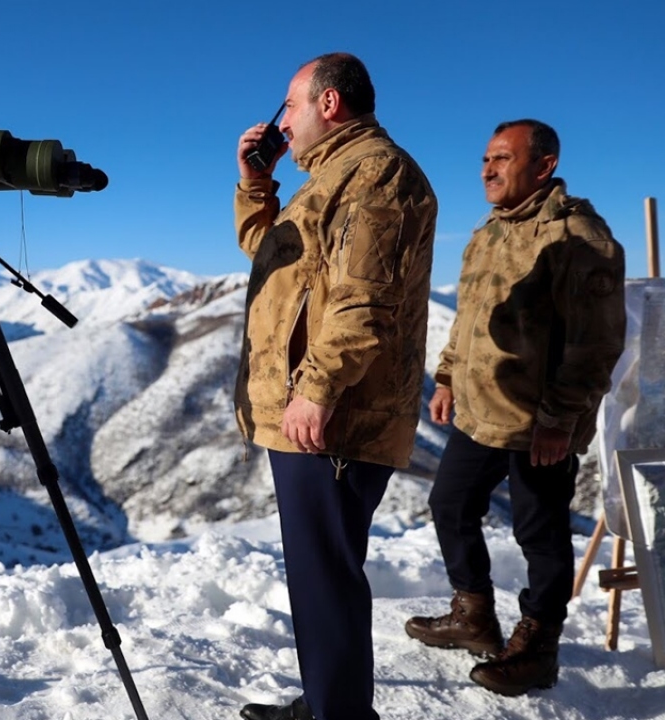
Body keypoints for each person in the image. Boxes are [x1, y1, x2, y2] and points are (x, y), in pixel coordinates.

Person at [232, 52, 438, 720]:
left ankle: (338, 713)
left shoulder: (376, 175)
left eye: (287, 107)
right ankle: (327, 701)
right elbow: (273, 257)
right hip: (317, 411)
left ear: (328, 104)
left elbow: (365, 299)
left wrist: (317, 388)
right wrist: (255, 184)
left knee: (326, 577)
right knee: (318, 575)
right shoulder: (329, 178)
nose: (280, 123)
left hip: (339, 416)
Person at [404, 119, 626, 696]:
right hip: (481, 410)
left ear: (544, 166)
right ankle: (473, 614)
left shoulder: (578, 237)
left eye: (503, 158)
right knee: (449, 503)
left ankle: (537, 647)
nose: (487, 169)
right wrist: (448, 377)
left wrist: (559, 419)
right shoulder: (489, 234)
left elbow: (595, 343)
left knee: (541, 533)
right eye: (485, 159)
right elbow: (469, 320)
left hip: (538, 422)